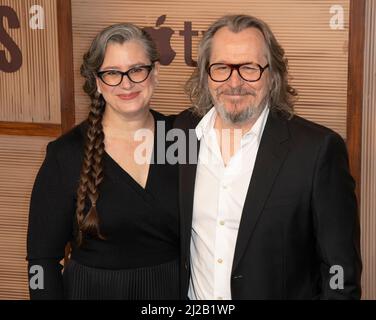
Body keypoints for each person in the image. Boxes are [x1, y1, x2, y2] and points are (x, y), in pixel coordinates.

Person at [175, 14, 362, 300]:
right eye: (221, 67)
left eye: (250, 68)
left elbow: (340, 270)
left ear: (273, 75)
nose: (234, 82)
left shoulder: (318, 151)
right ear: (204, 74)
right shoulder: (181, 134)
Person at [27, 23, 179, 299]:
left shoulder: (185, 139)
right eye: (112, 73)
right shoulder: (65, 154)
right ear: (97, 81)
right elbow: (41, 261)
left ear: (155, 73)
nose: (126, 83)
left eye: (136, 70)